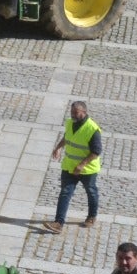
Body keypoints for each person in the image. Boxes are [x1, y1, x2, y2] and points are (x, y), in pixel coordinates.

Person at [45, 100, 101, 233]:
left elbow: (96, 151)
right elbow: (67, 137)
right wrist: (58, 147)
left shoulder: (92, 129)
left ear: (84, 112)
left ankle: (92, 216)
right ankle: (58, 223)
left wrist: (82, 165)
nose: (73, 115)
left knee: (91, 192)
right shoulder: (70, 123)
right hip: (69, 167)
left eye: (76, 113)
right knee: (65, 192)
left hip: (87, 170)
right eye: (71, 112)